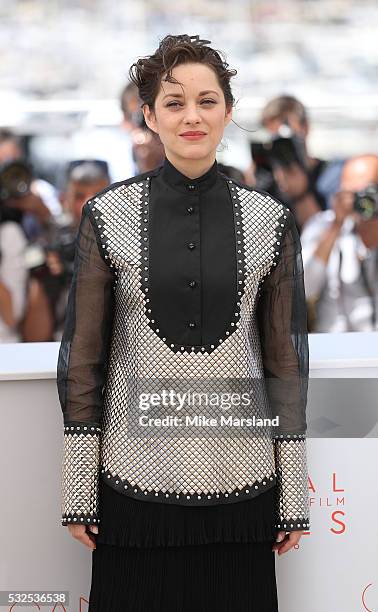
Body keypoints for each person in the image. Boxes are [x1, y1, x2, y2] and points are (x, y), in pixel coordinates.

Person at [57, 34, 310, 611]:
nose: (191, 116)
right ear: (148, 116)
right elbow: (84, 358)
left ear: (228, 111)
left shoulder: (270, 219)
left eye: (206, 100)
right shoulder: (107, 213)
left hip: (243, 487)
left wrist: (292, 491)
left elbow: (284, 363)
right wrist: (78, 486)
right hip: (131, 485)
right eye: (173, 103)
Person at [301, 154, 378, 332]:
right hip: (335, 347)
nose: (361, 201)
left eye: (368, 192)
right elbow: (304, 289)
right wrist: (336, 226)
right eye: (352, 193)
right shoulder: (322, 225)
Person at [259, 95, 345, 230]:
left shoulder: (332, 176)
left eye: (286, 135)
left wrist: (300, 194)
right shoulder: (267, 182)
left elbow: (328, 237)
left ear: (305, 127)